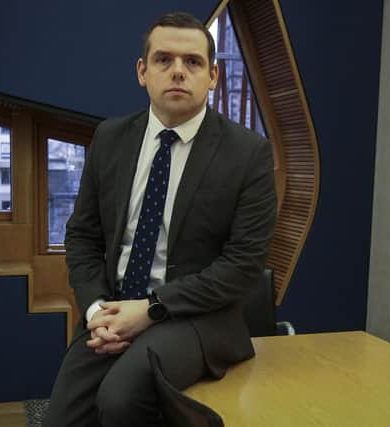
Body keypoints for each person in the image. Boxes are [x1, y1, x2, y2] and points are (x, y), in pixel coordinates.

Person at [43, 11, 277, 427]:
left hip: (198, 319)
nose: (177, 72)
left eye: (192, 62)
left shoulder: (248, 153)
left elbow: (242, 266)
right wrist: (97, 309)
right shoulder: (110, 138)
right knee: (61, 419)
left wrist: (150, 309)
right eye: (163, 60)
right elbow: (81, 235)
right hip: (114, 309)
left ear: (213, 76)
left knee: (119, 399)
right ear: (142, 71)